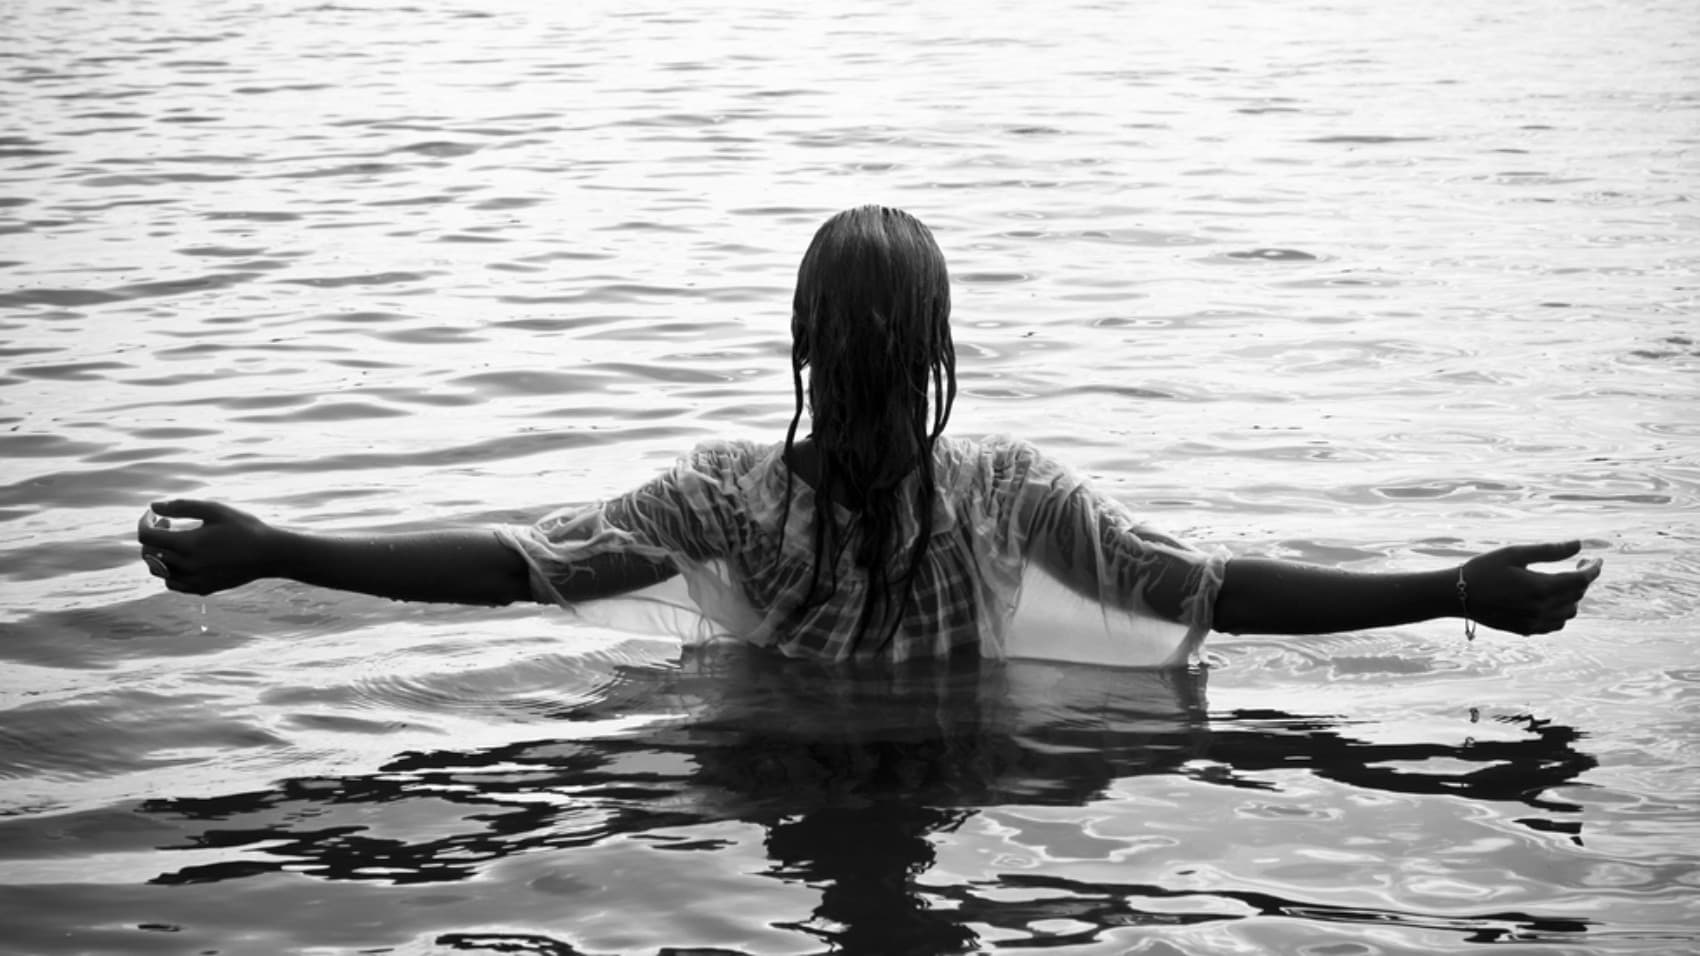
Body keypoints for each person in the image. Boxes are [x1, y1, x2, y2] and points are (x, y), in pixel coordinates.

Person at [136, 206, 1602, 665]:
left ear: (798, 345)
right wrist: (1453, 587)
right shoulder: (1013, 492)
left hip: (762, 778)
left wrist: (286, 546)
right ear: (946, 351)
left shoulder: (718, 497)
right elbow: (1213, 589)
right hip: (966, 780)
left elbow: (522, 566)